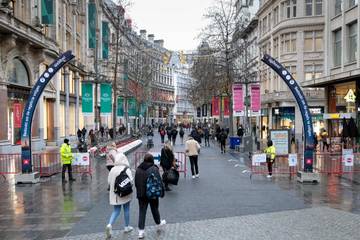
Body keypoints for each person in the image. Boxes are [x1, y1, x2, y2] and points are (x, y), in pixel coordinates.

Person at [135, 154, 166, 239]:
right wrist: (162, 192)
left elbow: (136, 182)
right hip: (152, 192)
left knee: (142, 212)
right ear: (152, 160)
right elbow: (159, 181)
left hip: (141, 194)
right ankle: (158, 223)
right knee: (154, 208)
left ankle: (141, 232)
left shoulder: (138, 169)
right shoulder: (154, 168)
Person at [105, 152, 134, 238]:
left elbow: (109, 182)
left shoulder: (113, 169)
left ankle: (109, 224)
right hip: (125, 192)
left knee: (116, 210)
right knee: (126, 209)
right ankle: (126, 226)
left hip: (115, 194)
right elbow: (131, 181)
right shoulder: (126, 169)